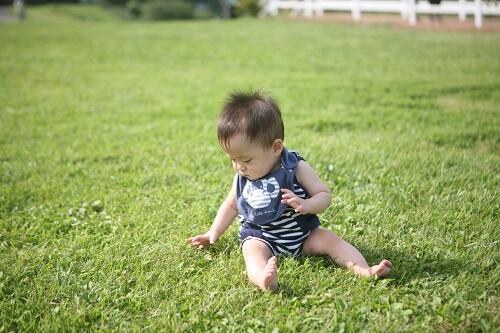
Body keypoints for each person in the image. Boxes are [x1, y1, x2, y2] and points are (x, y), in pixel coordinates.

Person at [186, 90, 392, 292]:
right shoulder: (242, 177)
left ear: (276, 147)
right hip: (262, 236)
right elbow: (231, 205)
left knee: (329, 239)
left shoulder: (295, 168)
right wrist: (214, 231)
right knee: (252, 252)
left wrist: (308, 205)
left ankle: (364, 270)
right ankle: (264, 280)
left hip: (302, 235)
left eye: (246, 160)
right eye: (233, 159)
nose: (239, 167)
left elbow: (324, 196)